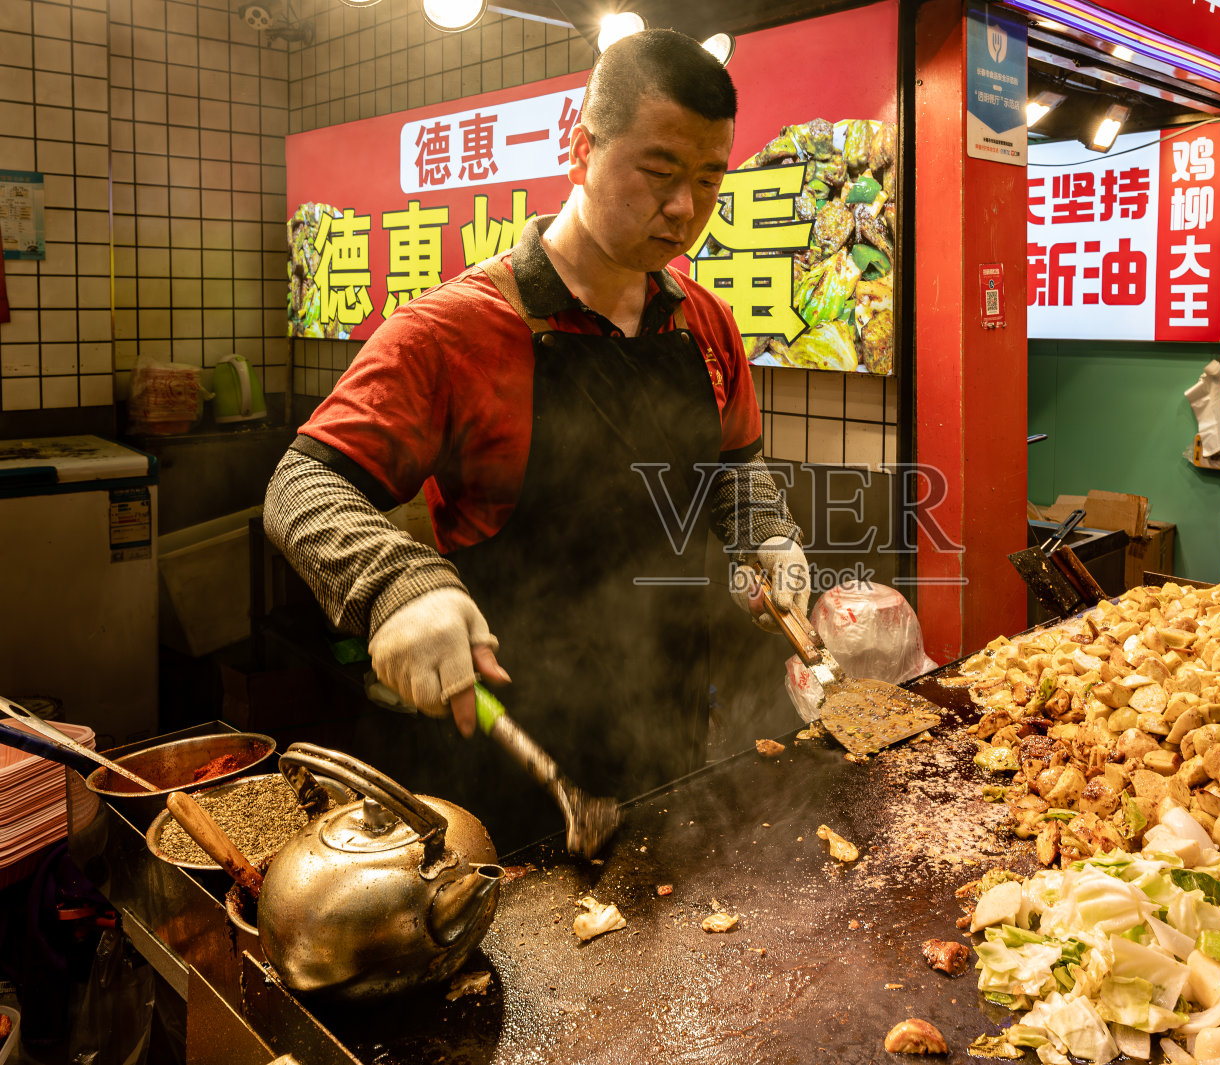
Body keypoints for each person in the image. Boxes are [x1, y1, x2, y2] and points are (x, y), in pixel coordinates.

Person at [264, 29, 810, 845]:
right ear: (579, 150)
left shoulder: (705, 324)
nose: (684, 209)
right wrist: (396, 583)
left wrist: (765, 535)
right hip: (505, 760)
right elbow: (302, 485)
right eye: (659, 173)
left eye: (707, 180)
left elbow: (734, 468)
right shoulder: (453, 330)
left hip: (668, 736)